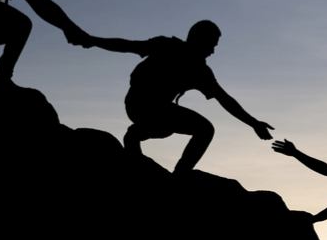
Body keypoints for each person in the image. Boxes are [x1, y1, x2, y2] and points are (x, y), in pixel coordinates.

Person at [87, 20, 274, 173]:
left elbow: (225, 100)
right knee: (205, 129)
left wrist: (254, 123)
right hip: (140, 104)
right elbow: (128, 46)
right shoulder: (167, 46)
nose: (213, 51)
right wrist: (93, 40)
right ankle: (178, 174)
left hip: (156, 109)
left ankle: (141, 138)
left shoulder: (201, 70)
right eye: (211, 45)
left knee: (173, 129)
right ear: (199, 39)